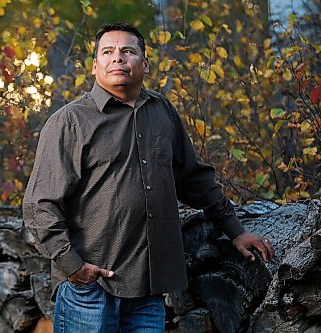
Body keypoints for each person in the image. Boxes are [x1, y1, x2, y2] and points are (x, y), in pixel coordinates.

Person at [22, 22, 275, 333]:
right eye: (108, 52)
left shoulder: (162, 111)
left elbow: (194, 179)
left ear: (144, 63)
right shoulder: (70, 122)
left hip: (148, 289)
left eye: (128, 51)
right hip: (90, 289)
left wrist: (235, 231)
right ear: (94, 66)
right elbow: (39, 205)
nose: (118, 58)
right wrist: (71, 265)